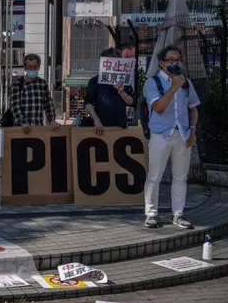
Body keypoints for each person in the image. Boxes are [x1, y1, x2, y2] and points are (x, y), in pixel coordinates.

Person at [142, 45, 200, 229]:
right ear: (161, 63)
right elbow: (158, 107)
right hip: (160, 134)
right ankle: (151, 214)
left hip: (182, 134)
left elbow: (193, 109)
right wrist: (173, 88)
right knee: (154, 176)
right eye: (170, 60)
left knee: (180, 177)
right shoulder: (153, 82)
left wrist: (192, 131)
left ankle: (178, 214)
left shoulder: (186, 83)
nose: (175, 63)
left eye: (177, 60)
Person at [84, 48, 135, 135]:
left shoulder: (124, 81)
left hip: (120, 126)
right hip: (100, 127)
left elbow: (131, 101)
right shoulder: (94, 81)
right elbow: (88, 103)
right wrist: (96, 120)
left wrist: (122, 93)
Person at [10, 54, 60, 134]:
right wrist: (23, 122)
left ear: (39, 67)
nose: (32, 69)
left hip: (38, 128)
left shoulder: (42, 84)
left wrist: (52, 121)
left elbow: (48, 104)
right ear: (25, 68)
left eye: (35, 67)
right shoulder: (17, 83)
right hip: (20, 129)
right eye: (29, 67)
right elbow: (15, 106)